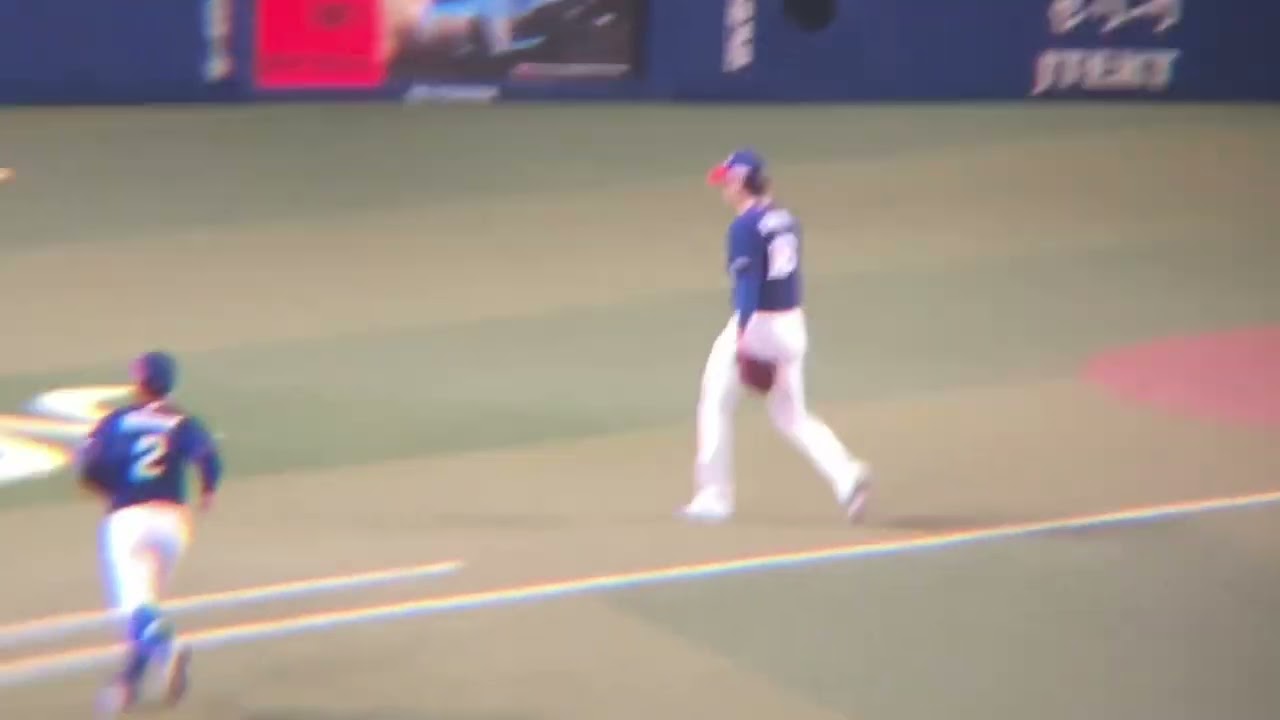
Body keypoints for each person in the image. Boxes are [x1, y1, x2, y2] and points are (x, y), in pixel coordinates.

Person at [682, 149, 872, 524]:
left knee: (715, 401)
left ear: (741, 183)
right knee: (792, 415)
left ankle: (714, 496)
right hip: (792, 324)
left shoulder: (744, 228)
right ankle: (847, 476)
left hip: (759, 324)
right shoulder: (785, 219)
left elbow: (749, 286)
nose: (724, 188)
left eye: (727, 181)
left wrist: (743, 337)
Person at [79, 351, 223, 716]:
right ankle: (126, 686)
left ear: (139, 382)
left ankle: (166, 650)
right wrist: (208, 491)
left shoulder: (116, 420)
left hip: (129, 520)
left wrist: (110, 490)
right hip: (173, 522)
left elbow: (89, 467)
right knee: (147, 607)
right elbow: (208, 456)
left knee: (136, 610)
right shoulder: (181, 421)